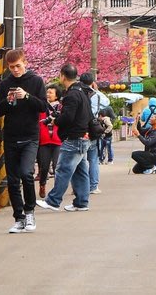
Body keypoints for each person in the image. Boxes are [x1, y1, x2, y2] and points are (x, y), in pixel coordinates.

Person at [0, 48, 48, 234]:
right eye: (11, 67)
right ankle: (19, 217)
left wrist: (27, 96)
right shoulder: (5, 84)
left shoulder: (36, 81)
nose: (15, 70)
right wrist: (8, 101)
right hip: (10, 137)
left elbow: (43, 107)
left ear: (25, 62)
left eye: (18, 66)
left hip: (30, 136)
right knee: (13, 179)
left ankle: (30, 210)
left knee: (26, 173)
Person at [36, 64, 91, 212]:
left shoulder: (71, 95)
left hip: (73, 138)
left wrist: (55, 120)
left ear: (62, 76)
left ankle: (53, 200)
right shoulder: (82, 91)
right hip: (83, 137)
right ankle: (81, 202)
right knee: (80, 171)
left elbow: (68, 117)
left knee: (63, 169)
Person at [79, 72, 109, 194]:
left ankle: (80, 185)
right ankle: (93, 186)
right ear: (92, 82)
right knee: (93, 159)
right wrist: (96, 90)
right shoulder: (96, 95)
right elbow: (107, 102)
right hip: (93, 128)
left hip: (81, 128)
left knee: (80, 159)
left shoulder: (77, 93)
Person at [37, 84, 63, 199]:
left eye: (51, 92)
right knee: (44, 166)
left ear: (57, 95)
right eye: (47, 92)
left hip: (58, 139)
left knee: (57, 165)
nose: (48, 95)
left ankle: (57, 190)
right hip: (44, 139)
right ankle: (42, 185)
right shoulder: (42, 107)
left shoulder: (62, 108)